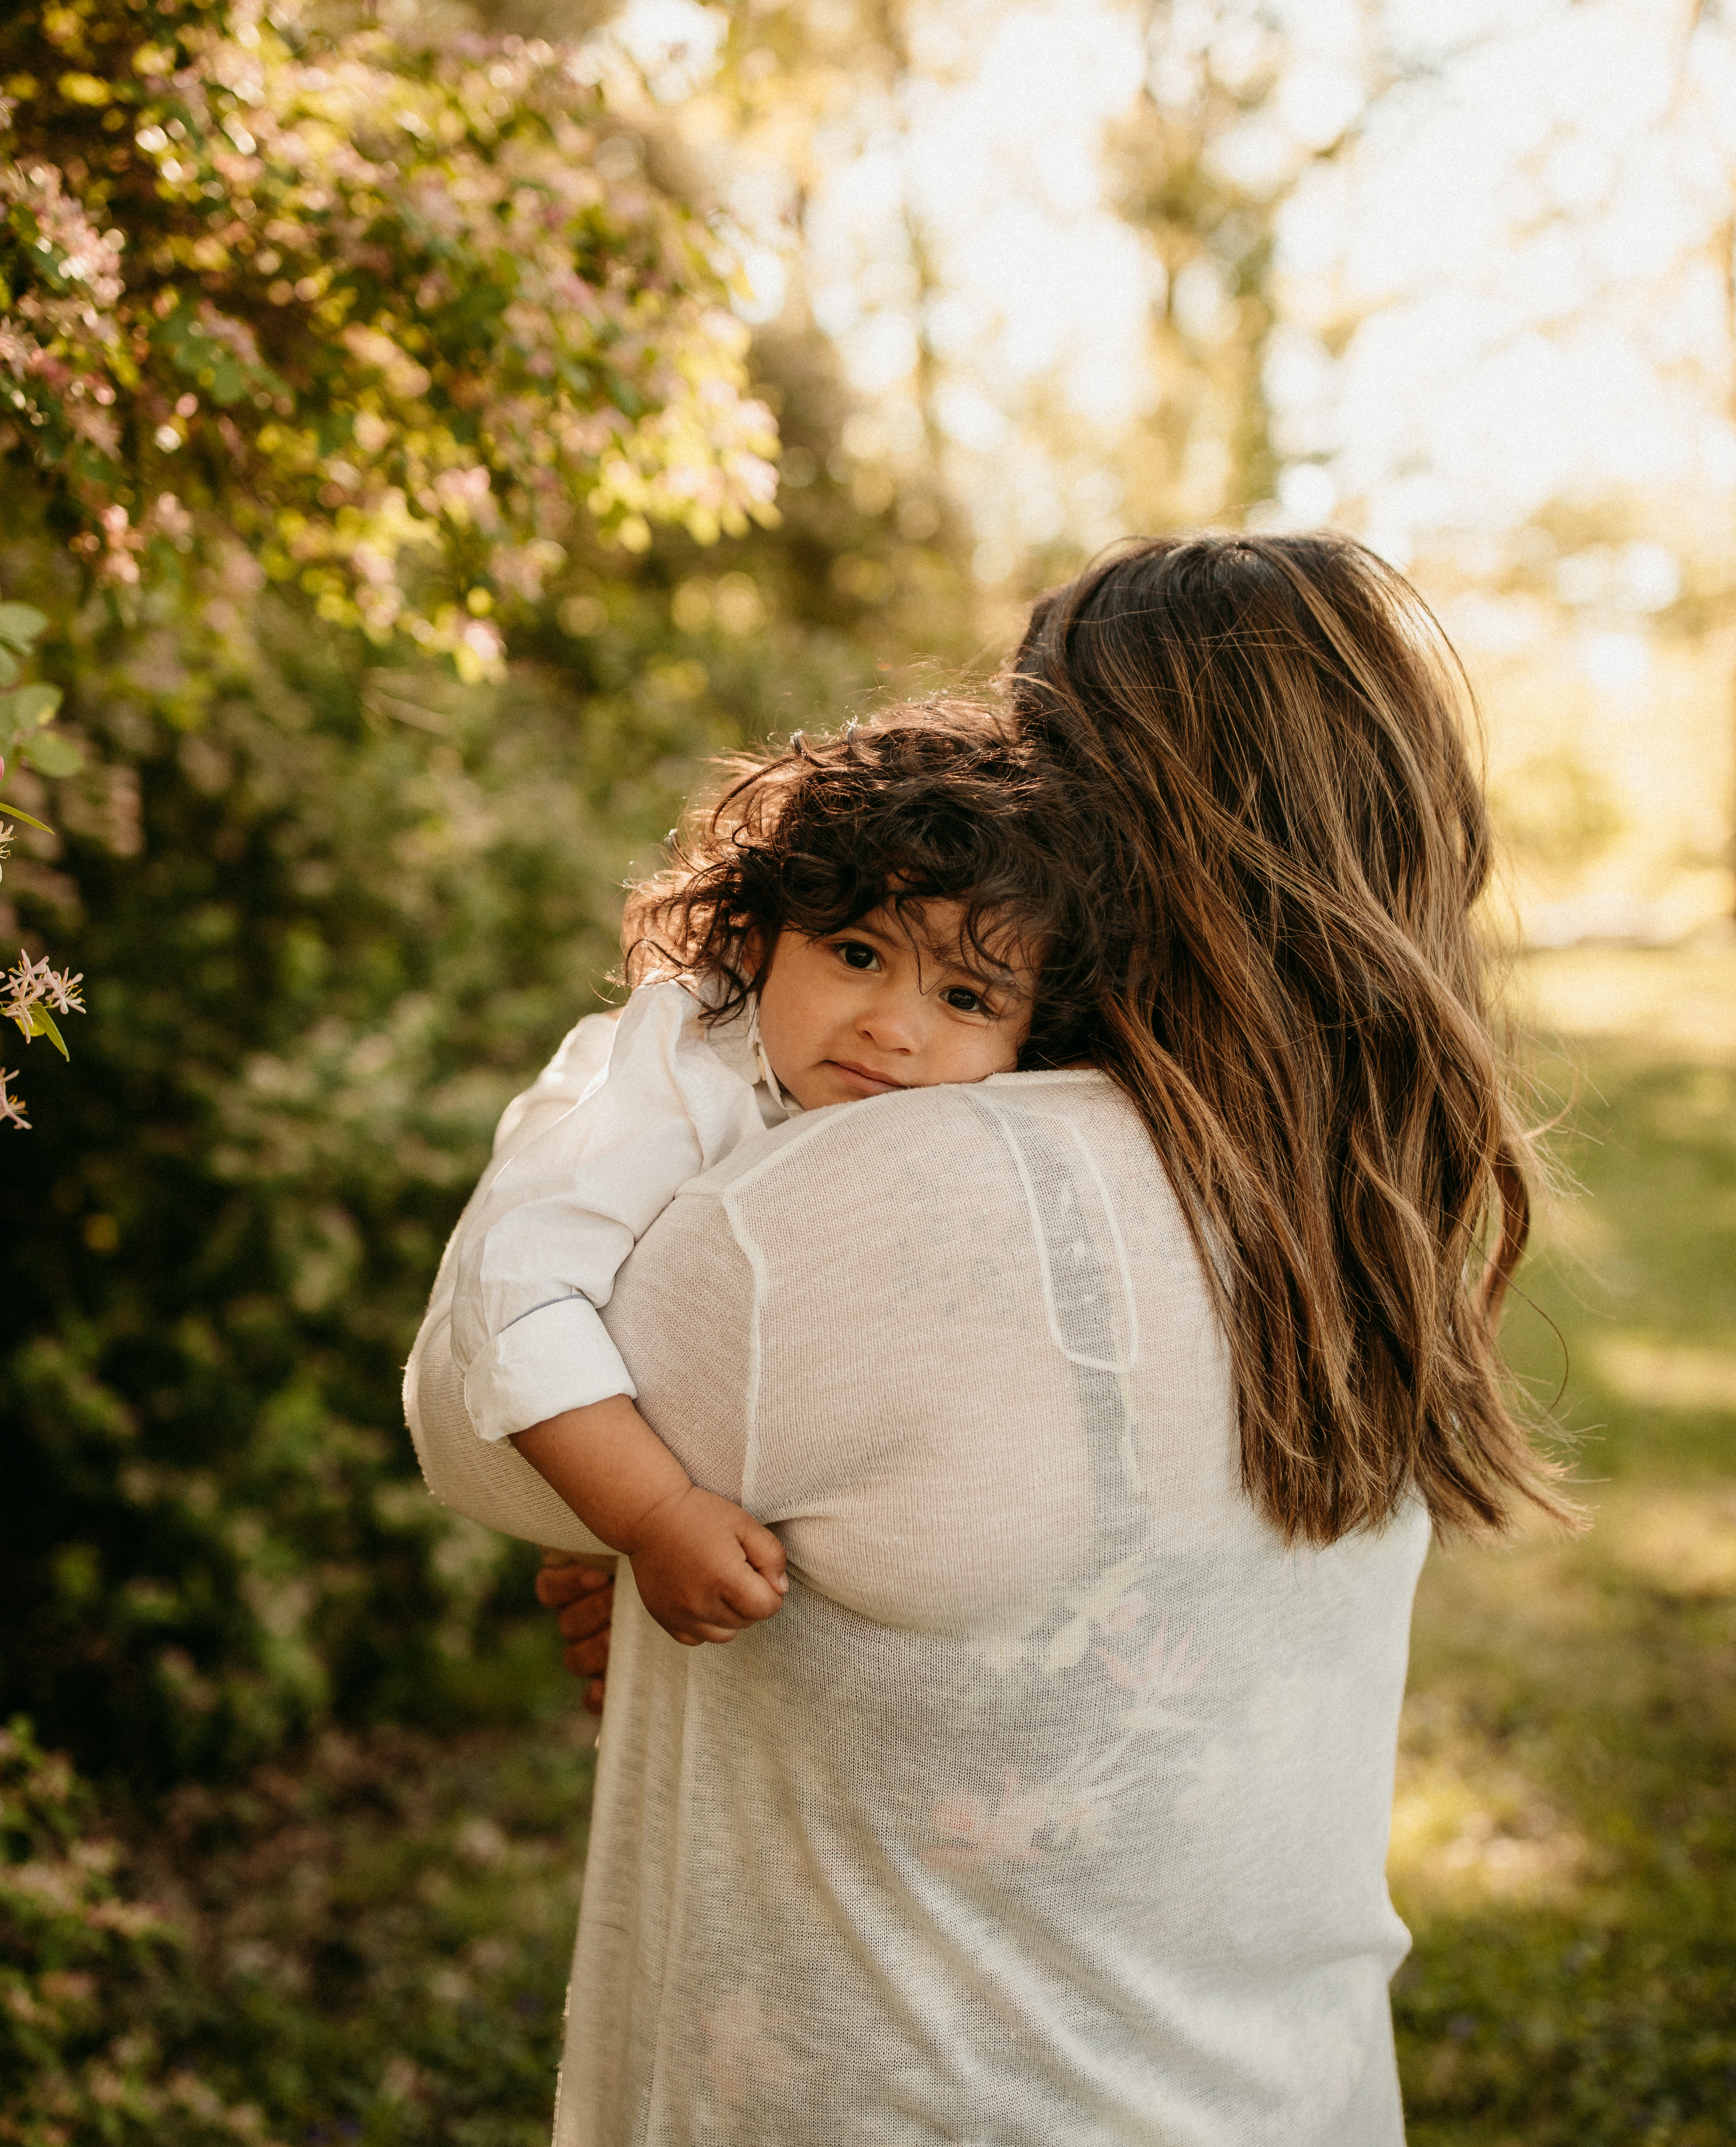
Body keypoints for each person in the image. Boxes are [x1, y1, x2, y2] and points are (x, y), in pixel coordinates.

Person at [405, 533, 1575, 2147]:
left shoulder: (885, 1191)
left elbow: (478, 1403)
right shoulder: (1357, 1224)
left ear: (1099, 819)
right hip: (1287, 2095)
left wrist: (619, 1071)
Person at [424, 703, 1091, 1648]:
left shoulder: (990, 1139)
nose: (895, 1029)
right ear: (752, 941)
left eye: (965, 997)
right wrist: (647, 1518)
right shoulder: (683, 1081)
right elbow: (517, 1288)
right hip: (618, 1473)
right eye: (858, 955)